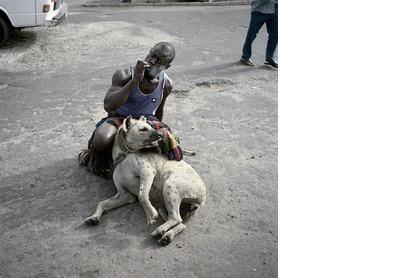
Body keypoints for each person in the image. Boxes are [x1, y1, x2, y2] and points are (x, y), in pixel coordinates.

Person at [80, 42, 181, 176]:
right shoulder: (124, 74)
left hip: (146, 121)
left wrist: (155, 130)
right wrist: (134, 81)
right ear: (149, 51)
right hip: (120, 117)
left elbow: (158, 110)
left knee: (169, 142)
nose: (152, 61)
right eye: (152, 55)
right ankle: (101, 159)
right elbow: (108, 106)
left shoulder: (166, 84)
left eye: (159, 61)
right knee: (102, 140)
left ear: (166, 66)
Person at [240, 0, 278, 68]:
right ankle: (245, 57)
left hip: (274, 9)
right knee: (252, 34)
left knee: (275, 34)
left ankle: (270, 58)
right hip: (259, 10)